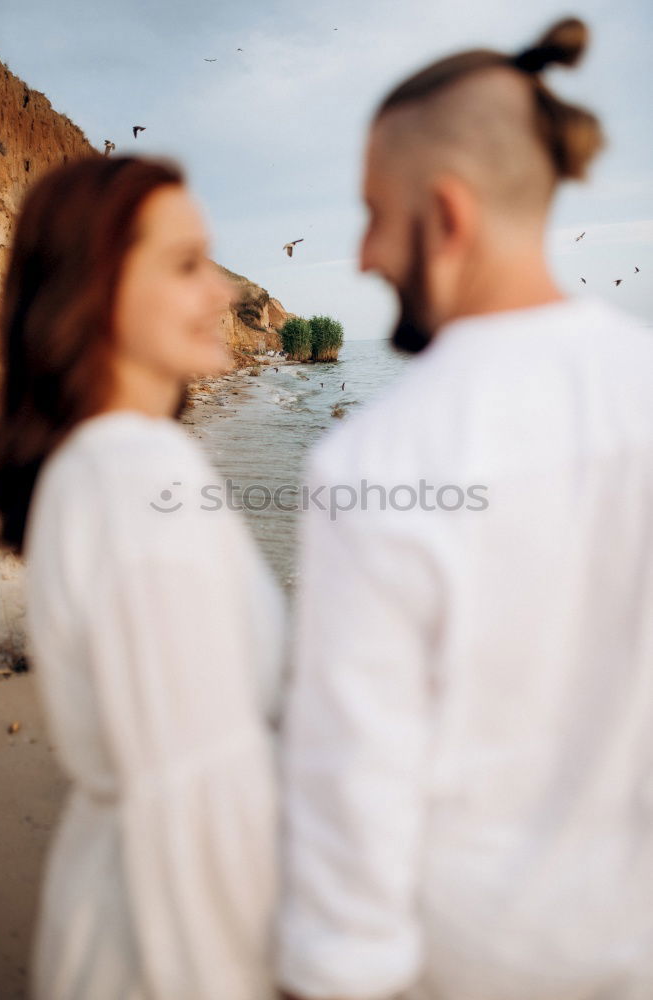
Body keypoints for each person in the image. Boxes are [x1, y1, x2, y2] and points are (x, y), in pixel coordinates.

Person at [278, 17, 653, 1000]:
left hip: (472, 964)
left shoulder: (370, 461)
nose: (360, 256)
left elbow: (354, 802)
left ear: (444, 215)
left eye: (370, 214)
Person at [0, 155, 285, 999]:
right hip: (173, 954)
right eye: (187, 265)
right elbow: (191, 804)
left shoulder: (97, 465)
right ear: (99, 289)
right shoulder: (136, 476)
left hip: (122, 919)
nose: (222, 295)